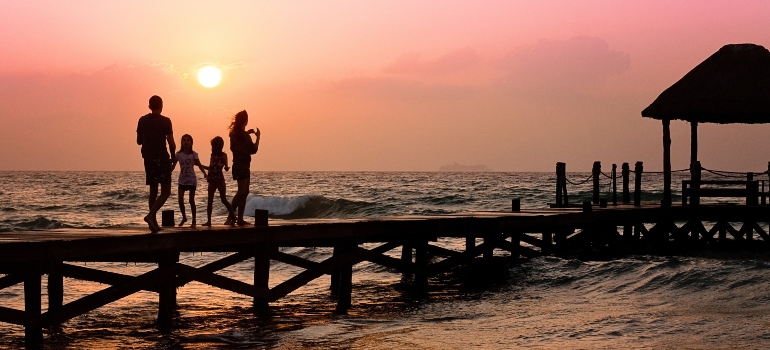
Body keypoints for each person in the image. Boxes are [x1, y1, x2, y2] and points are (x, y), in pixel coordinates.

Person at [136, 95, 175, 232]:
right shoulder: (166, 121)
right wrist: (173, 158)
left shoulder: (142, 120)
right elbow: (171, 143)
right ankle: (151, 215)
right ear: (161, 105)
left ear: (149, 106)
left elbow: (139, 141)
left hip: (148, 158)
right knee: (166, 191)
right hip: (162, 157)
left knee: (153, 190)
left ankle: (154, 223)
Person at [227, 110, 260, 226]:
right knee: (242, 191)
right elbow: (253, 150)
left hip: (238, 164)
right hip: (243, 165)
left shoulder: (234, 134)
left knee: (245, 192)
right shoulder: (243, 135)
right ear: (245, 120)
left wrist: (247, 133)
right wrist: (258, 138)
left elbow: (238, 145)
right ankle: (230, 217)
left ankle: (239, 218)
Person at [173, 134, 207, 228]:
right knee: (180, 200)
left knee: (191, 201)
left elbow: (199, 165)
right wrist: (168, 171)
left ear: (191, 143)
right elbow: (173, 165)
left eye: (188, 140)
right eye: (184, 140)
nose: (186, 142)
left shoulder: (194, 154)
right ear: (182, 143)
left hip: (191, 179)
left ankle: (194, 220)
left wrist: (205, 174)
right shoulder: (178, 154)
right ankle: (184, 217)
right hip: (182, 180)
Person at [202, 136, 235, 227]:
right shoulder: (212, 155)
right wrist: (201, 166)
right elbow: (211, 168)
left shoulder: (224, 155)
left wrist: (227, 167)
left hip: (220, 179)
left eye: (214, 146)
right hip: (212, 180)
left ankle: (233, 216)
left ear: (219, 146)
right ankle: (209, 221)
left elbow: (226, 167)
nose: (212, 148)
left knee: (223, 199)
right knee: (209, 201)